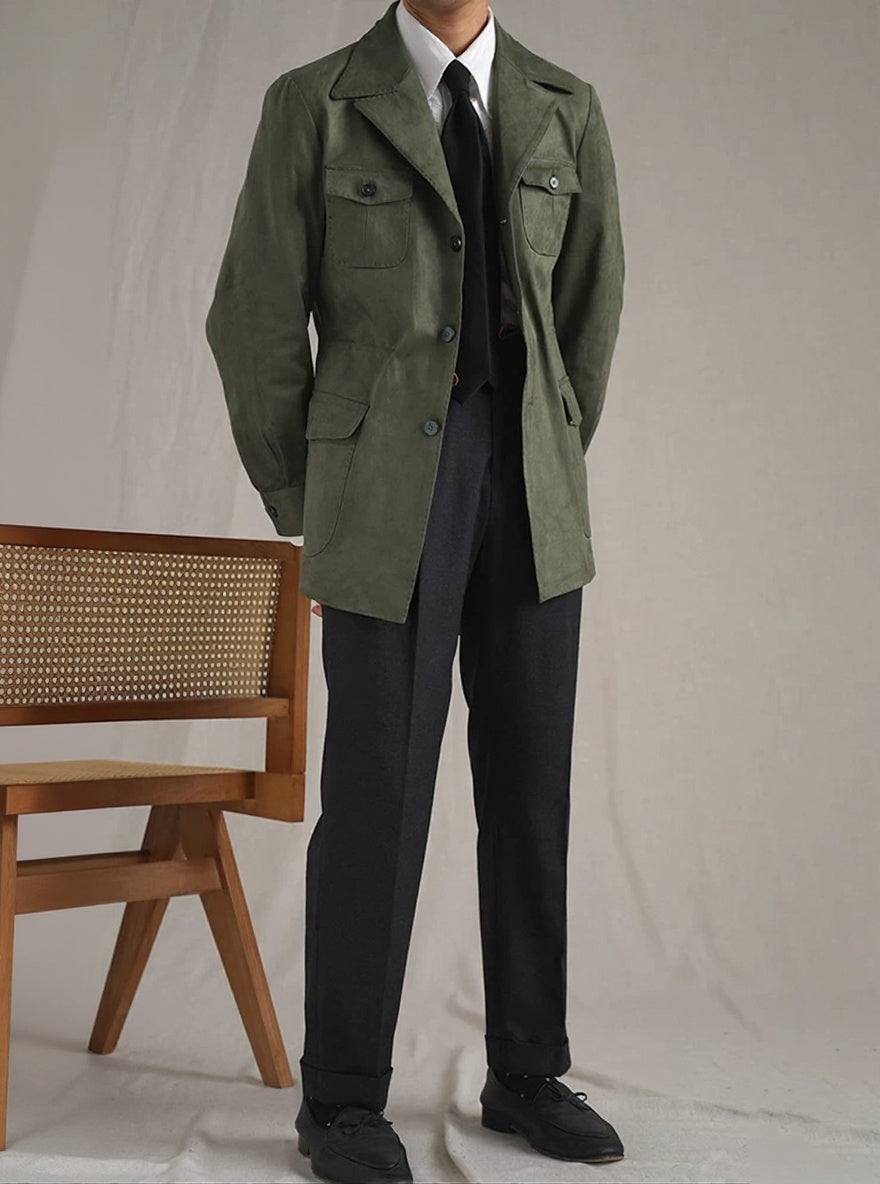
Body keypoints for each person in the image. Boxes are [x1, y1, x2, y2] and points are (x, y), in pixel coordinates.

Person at [205, 1, 625, 1179]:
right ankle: (342, 1096)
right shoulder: (315, 103)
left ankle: (526, 1070)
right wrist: (313, 502)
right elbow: (252, 316)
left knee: (530, 784)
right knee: (377, 793)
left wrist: (547, 450)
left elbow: (589, 311)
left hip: (530, 483)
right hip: (382, 489)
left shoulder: (565, 109)